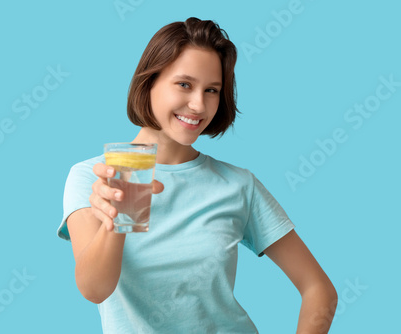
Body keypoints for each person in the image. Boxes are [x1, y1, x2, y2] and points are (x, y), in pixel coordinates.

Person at [58, 17, 337, 333]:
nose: (198, 104)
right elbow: (95, 289)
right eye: (184, 84)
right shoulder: (93, 177)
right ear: (149, 82)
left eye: (212, 90)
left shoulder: (237, 185)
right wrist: (118, 216)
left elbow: (319, 290)